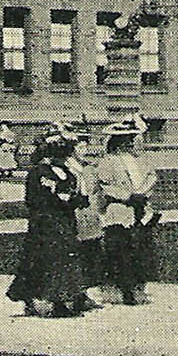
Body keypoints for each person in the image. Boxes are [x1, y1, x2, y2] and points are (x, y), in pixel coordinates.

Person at [5, 131, 92, 318]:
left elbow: (75, 197)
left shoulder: (67, 173)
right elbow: (37, 200)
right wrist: (63, 200)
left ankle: (63, 298)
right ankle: (51, 300)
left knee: (63, 260)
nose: (64, 158)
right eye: (60, 154)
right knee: (44, 260)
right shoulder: (39, 173)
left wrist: (74, 200)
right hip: (45, 224)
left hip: (65, 222)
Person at [96, 115, 159, 306]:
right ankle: (122, 289)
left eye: (133, 138)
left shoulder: (141, 161)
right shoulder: (108, 161)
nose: (132, 142)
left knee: (141, 249)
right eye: (128, 139)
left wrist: (143, 193)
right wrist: (128, 196)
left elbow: (151, 177)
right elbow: (105, 186)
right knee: (120, 251)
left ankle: (138, 287)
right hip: (120, 211)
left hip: (140, 210)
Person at [66, 127, 105, 306]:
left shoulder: (87, 167)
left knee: (92, 252)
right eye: (80, 147)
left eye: (85, 147)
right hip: (77, 214)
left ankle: (87, 291)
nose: (83, 150)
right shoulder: (69, 166)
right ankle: (77, 293)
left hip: (90, 214)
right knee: (78, 253)